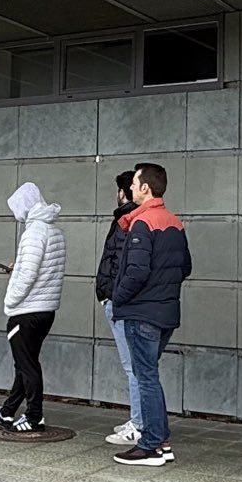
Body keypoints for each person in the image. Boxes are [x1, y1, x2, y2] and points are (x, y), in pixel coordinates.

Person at [109, 163, 192, 467]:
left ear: (145, 188)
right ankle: (161, 442)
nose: (130, 188)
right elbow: (185, 268)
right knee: (149, 377)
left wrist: (117, 298)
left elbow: (136, 272)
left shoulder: (142, 223)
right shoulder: (174, 222)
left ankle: (153, 445)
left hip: (141, 313)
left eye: (134, 183)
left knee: (146, 378)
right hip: (165, 311)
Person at [0, 182, 65, 432]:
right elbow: (43, 270)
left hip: (27, 310)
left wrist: (10, 299)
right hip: (45, 309)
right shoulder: (53, 231)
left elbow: (28, 274)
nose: (16, 214)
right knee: (25, 363)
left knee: (27, 366)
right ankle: (7, 412)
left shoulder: (34, 232)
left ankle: (34, 417)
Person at [95, 170, 144, 447]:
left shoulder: (129, 220)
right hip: (119, 300)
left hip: (122, 303)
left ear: (124, 191)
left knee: (133, 366)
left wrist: (111, 296)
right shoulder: (128, 218)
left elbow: (121, 263)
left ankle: (139, 423)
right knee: (135, 366)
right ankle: (137, 418)